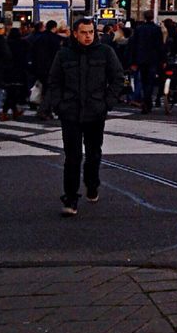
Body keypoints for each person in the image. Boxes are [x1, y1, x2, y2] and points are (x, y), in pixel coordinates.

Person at [45, 17, 124, 217]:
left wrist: (107, 103)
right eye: (84, 32)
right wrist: (59, 105)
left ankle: (92, 183)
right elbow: (54, 82)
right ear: (75, 33)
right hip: (70, 112)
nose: (88, 36)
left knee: (93, 153)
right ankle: (70, 197)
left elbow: (117, 77)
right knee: (72, 156)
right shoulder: (64, 55)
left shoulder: (105, 52)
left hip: (95, 110)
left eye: (91, 32)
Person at [128, 11, 165, 114]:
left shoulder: (139, 29)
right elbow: (160, 46)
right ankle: (147, 102)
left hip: (141, 59)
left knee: (144, 82)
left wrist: (133, 61)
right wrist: (163, 60)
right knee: (150, 82)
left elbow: (133, 46)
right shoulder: (157, 29)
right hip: (153, 59)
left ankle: (145, 102)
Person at [29, 21, 63, 118]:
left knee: (45, 88)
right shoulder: (54, 39)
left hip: (39, 67)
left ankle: (46, 111)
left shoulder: (39, 38)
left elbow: (34, 52)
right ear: (54, 27)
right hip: (50, 67)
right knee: (50, 89)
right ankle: (44, 110)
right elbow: (57, 54)